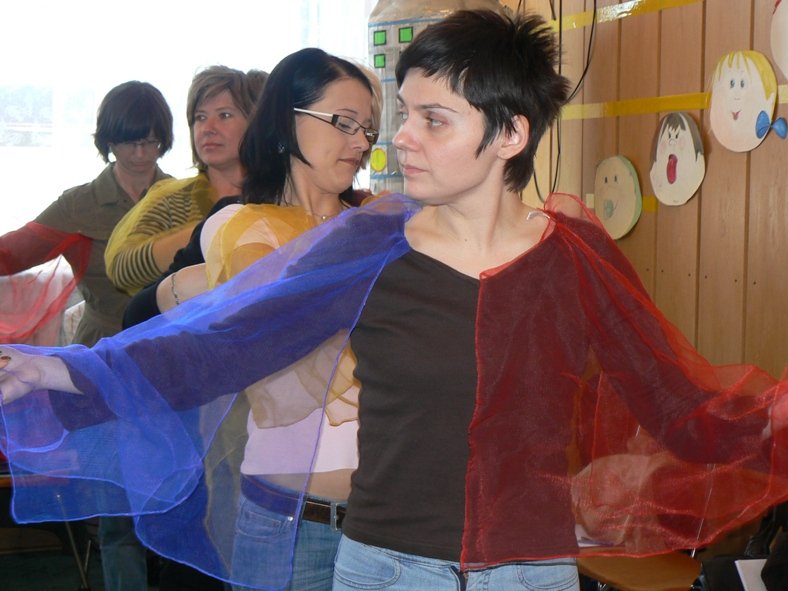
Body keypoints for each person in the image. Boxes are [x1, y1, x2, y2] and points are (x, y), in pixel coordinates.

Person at [1, 10, 787, 591]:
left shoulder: (576, 257)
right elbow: (224, 347)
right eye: (404, 113)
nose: (399, 137)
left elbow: (679, 404)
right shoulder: (370, 242)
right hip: (384, 567)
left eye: (432, 119)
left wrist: (772, 424)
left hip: (531, 570)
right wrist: (64, 371)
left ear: (510, 135)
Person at [152, 47, 380, 591]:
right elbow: (282, 311)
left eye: (368, 128)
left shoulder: (374, 226)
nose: (360, 142)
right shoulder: (241, 223)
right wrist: (185, 286)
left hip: (385, 523)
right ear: (287, 120)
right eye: (343, 122)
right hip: (291, 525)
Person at [0, 80, 173, 591]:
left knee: (181, 500)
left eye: (151, 141)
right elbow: (12, 252)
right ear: (108, 141)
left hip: (174, 363)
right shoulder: (80, 205)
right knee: (118, 515)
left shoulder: (185, 199)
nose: (141, 154)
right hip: (101, 366)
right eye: (129, 141)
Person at [104, 65, 267, 295]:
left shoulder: (282, 196)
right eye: (200, 117)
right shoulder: (173, 200)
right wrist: (209, 232)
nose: (207, 128)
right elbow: (122, 269)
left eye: (224, 115)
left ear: (256, 123)